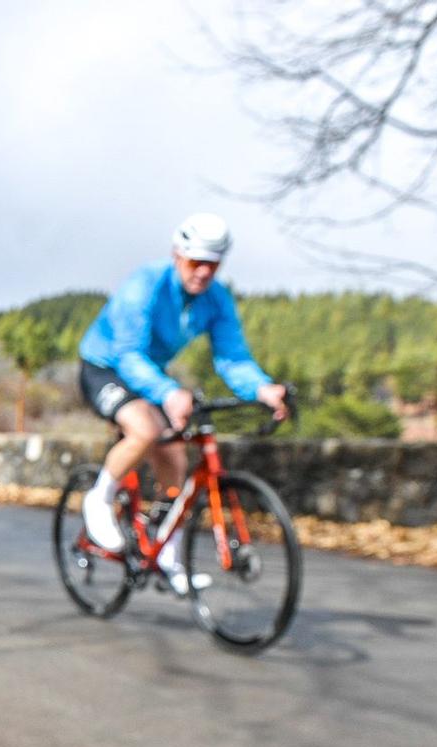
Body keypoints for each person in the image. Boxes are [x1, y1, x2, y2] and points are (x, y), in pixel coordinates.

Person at [77, 212, 290, 595]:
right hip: (105, 367)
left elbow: (232, 357)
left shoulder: (216, 301)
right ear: (178, 255)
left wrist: (262, 389)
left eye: (213, 264)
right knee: (146, 429)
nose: (204, 272)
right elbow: (128, 355)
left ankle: (167, 557)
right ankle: (99, 499)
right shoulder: (145, 285)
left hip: (148, 376)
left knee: (174, 455)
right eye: (196, 262)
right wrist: (170, 392)